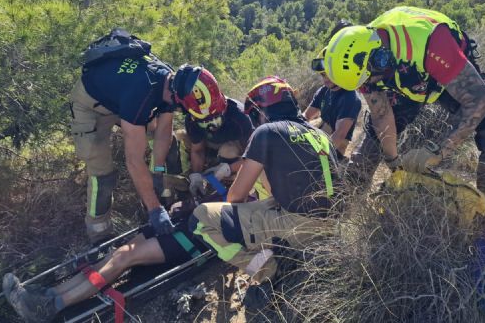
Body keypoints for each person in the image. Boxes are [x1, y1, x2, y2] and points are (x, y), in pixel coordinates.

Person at [323, 6, 485, 228]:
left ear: (379, 58)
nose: (368, 87)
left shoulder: (431, 41)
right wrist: (393, 161)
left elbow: (480, 101)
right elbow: (381, 114)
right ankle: (341, 210)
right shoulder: (365, 66)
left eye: (369, 80)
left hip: (441, 73)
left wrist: (437, 151)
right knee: (370, 144)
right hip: (403, 80)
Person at [190, 76, 339, 307]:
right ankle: (278, 254)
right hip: (330, 226)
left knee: (201, 220)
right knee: (265, 206)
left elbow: (235, 197)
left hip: (298, 226)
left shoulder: (267, 132)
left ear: (261, 111)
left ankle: (265, 271)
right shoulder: (320, 135)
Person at [71, 49, 213, 243]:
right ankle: (99, 234)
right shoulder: (140, 93)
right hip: (91, 105)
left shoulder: (173, 83)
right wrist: (155, 210)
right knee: (102, 175)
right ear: (175, 97)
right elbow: (134, 160)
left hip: (120, 96)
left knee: (168, 141)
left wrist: (157, 172)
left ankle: (168, 194)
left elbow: (163, 134)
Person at [2, 202, 208, 322]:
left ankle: (52, 306)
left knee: (124, 257)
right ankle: (50, 295)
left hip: (197, 236)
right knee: (117, 254)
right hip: (184, 221)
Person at [172, 66, 255, 197]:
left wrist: (228, 169)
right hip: (209, 150)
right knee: (180, 138)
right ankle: (197, 183)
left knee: (228, 151)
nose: (211, 126)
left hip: (234, 155)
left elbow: (254, 158)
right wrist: (196, 175)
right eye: (203, 122)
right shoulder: (192, 119)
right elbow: (197, 150)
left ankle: (229, 189)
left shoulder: (239, 116)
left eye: (214, 120)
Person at [305, 47, 362, 158]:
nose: (326, 78)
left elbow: (339, 136)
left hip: (334, 151)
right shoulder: (324, 90)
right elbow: (306, 116)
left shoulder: (351, 98)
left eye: (329, 73)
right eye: (323, 74)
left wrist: (316, 158)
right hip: (320, 137)